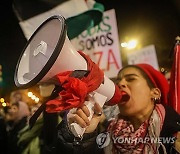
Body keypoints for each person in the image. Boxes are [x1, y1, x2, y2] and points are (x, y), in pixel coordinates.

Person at [56, 63, 180, 154]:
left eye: (131, 79)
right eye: (118, 81)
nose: (120, 84)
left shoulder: (174, 134)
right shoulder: (107, 134)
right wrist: (80, 137)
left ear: (155, 93)